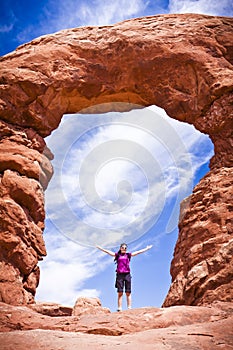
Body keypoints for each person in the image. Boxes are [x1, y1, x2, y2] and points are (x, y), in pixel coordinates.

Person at [96, 243, 152, 311]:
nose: (124, 249)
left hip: (127, 274)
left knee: (128, 292)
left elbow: (138, 252)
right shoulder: (117, 255)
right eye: (123, 247)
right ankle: (119, 308)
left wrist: (147, 248)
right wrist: (100, 248)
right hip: (120, 275)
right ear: (120, 248)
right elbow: (108, 252)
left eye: (125, 248)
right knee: (120, 292)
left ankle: (129, 307)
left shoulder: (128, 255)